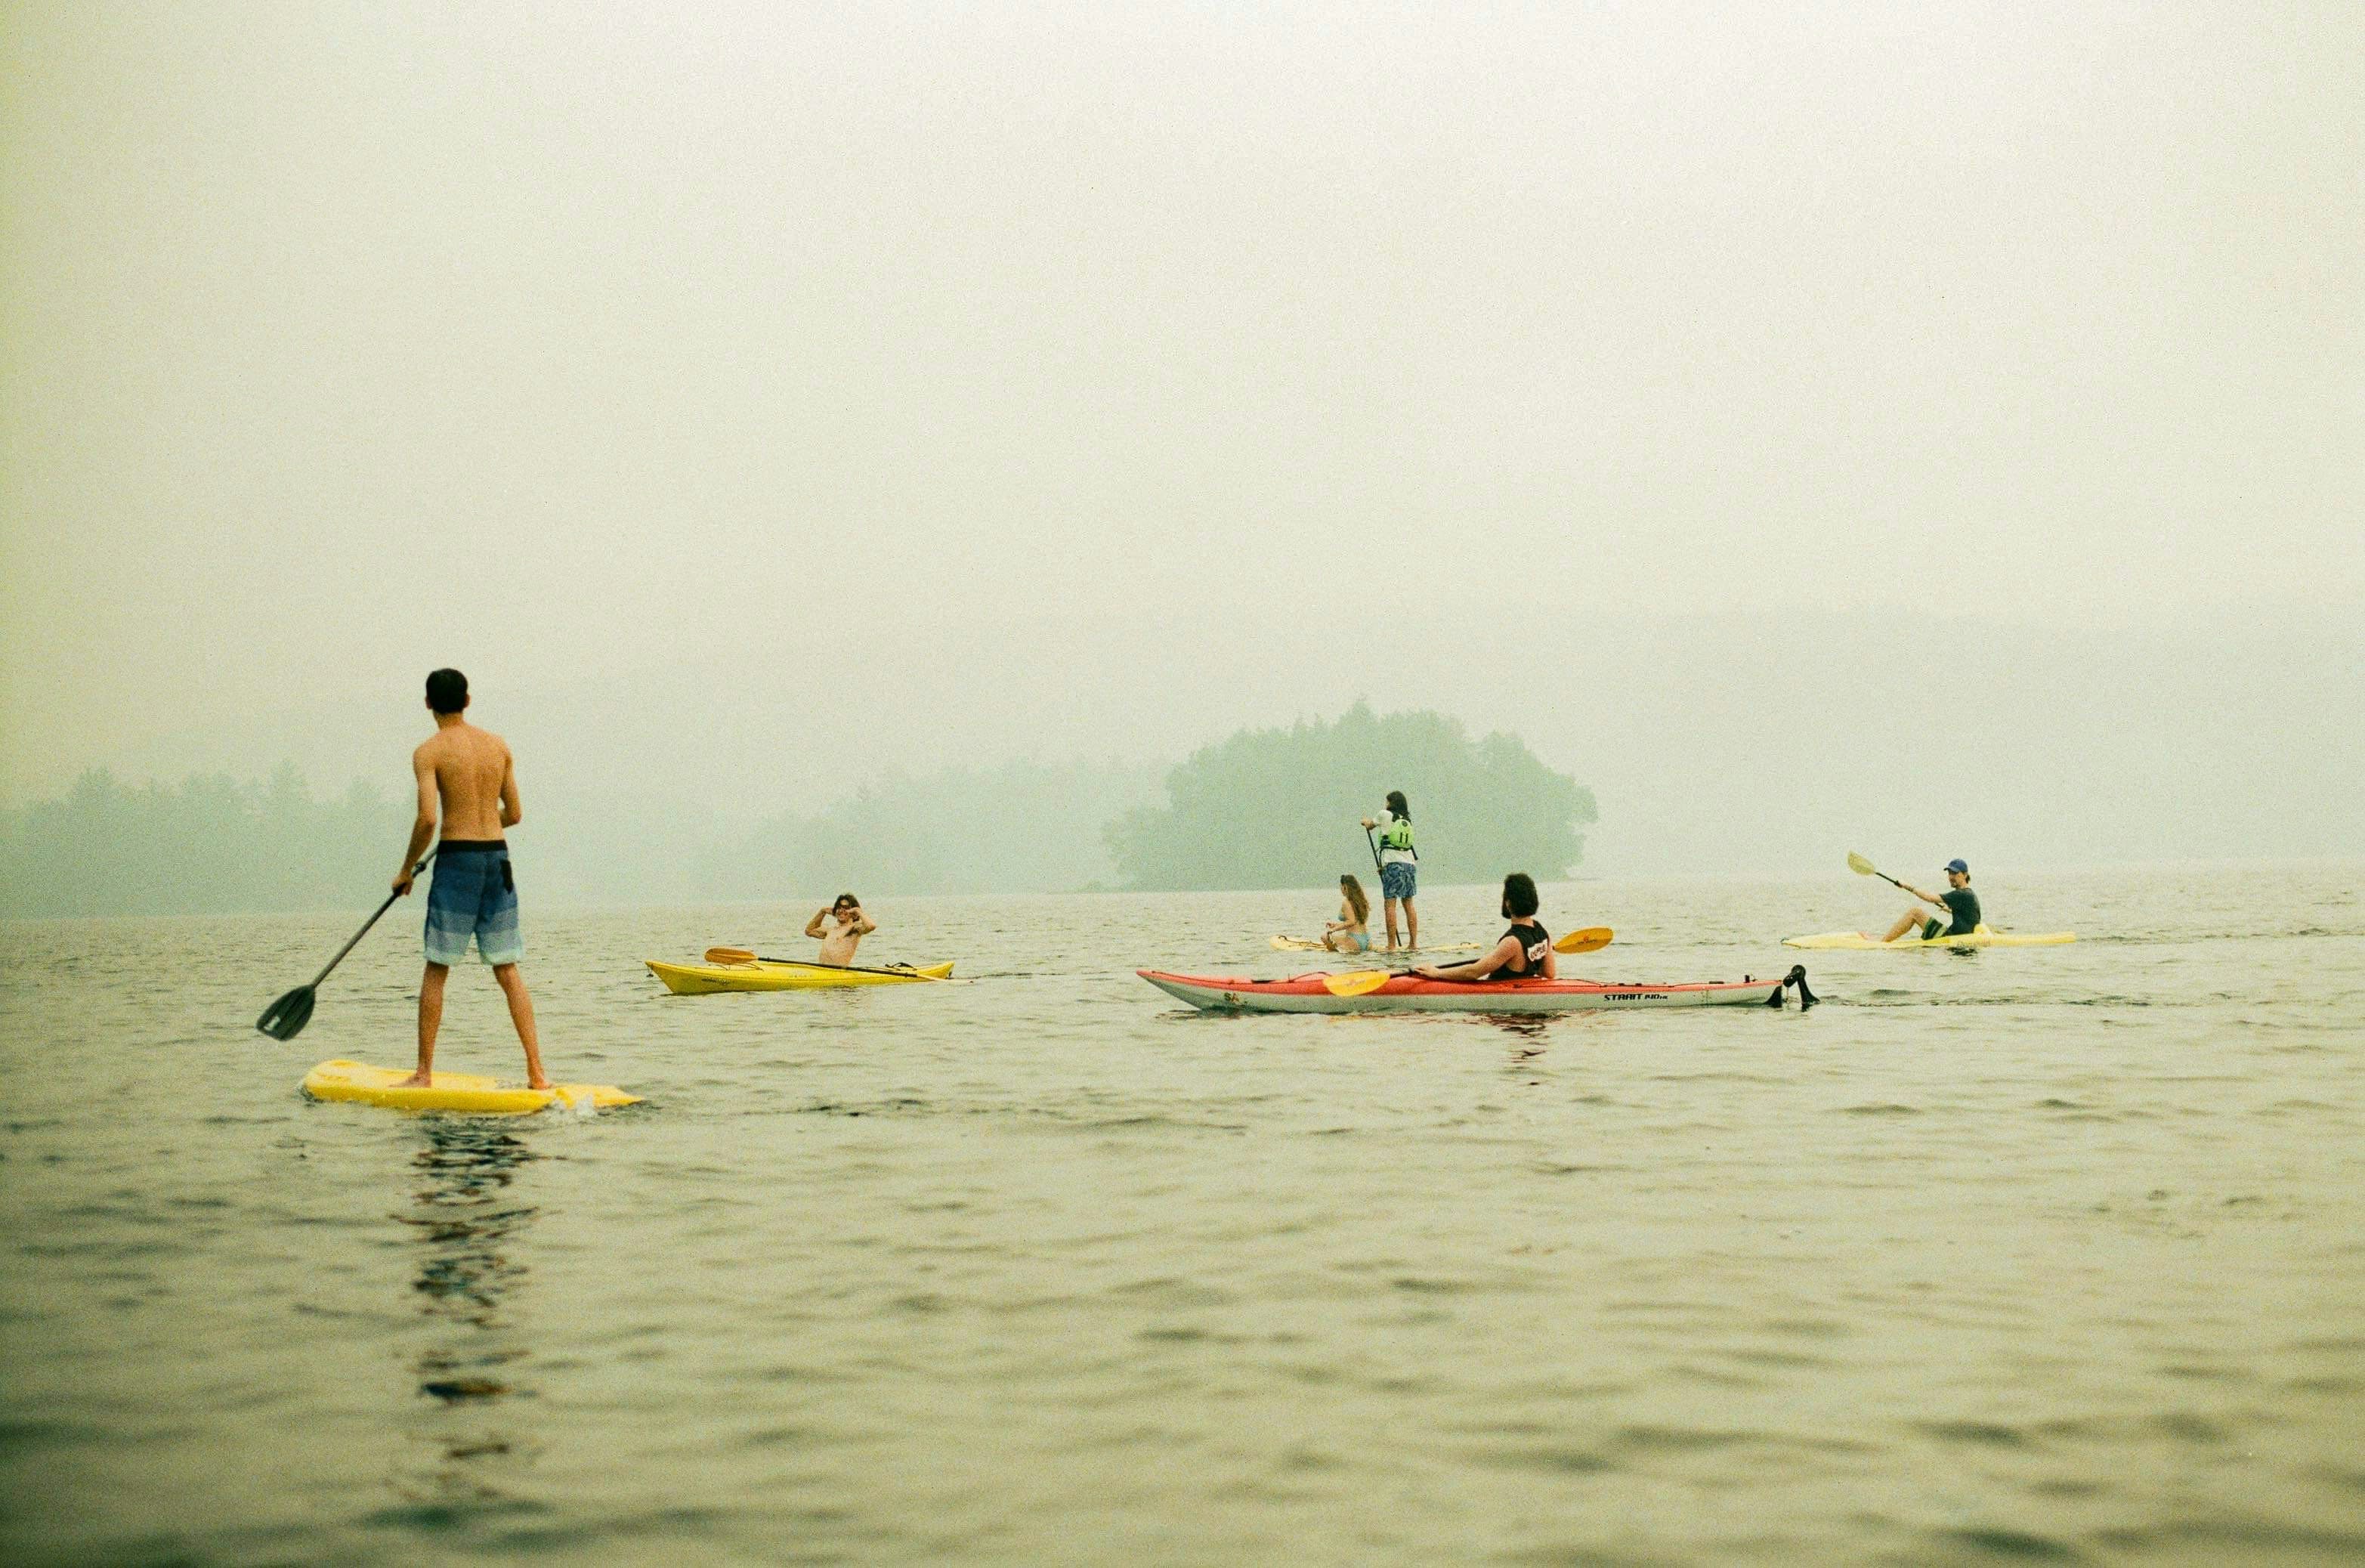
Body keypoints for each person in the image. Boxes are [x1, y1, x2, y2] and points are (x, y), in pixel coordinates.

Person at [391, 668, 546, 1090]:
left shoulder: (429, 752)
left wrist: (406, 870)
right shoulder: (498, 746)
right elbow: (513, 814)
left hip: (457, 861)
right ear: (468, 700)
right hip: (497, 860)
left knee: (438, 966)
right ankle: (537, 1073)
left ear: (427, 703)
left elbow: (427, 819)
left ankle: (424, 1073)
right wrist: (481, 824)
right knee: (508, 967)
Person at [1414, 873, 1555, 983]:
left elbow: (1473, 973)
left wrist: (1437, 973)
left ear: (1508, 903)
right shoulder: (1543, 933)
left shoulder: (1512, 942)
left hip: (1503, 1014)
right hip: (1520, 996)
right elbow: (1549, 973)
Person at [1359, 790, 1419, 951]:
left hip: (1393, 865)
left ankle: (1391, 946)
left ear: (1390, 802)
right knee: (1408, 904)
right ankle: (1413, 944)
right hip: (1410, 865)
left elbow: (1370, 825)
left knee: (1390, 905)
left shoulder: (1384, 815)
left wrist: (1364, 821)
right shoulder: (1406, 820)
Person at [1877, 858, 1982, 943]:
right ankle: (1885, 940)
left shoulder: (1961, 894)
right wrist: (1950, 909)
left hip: (1951, 937)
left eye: (1955, 874)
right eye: (1950, 873)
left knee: (1915, 912)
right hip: (1957, 937)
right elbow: (1969, 914)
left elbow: (1929, 898)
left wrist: (1907, 886)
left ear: (1965, 875)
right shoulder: (1970, 894)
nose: (1951, 877)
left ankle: (1883, 943)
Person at [805, 892, 876, 965]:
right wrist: (822, 911)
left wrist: (858, 911)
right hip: (823, 971)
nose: (841, 911)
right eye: (839, 907)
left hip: (838, 972)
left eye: (846, 908)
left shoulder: (854, 928)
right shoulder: (830, 930)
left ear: (854, 913)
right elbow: (809, 931)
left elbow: (871, 926)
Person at [1323, 874, 1372, 953]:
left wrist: (1333, 930)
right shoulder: (1361, 901)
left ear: (1345, 887)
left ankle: (1339, 951)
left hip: (1355, 940)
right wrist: (1335, 925)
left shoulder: (1346, 902)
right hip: (1367, 939)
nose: (1341, 889)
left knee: (1324, 937)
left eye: (1341, 886)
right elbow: (1355, 922)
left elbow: (1351, 921)